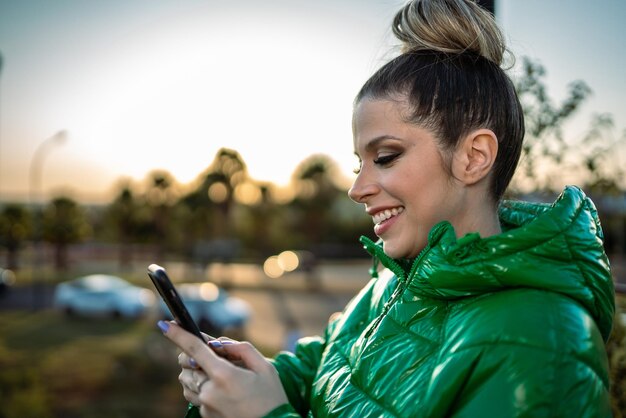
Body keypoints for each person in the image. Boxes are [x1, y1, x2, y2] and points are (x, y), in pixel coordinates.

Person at [158, 0, 615, 416]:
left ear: (474, 157)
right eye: (360, 163)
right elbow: (327, 374)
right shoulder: (388, 286)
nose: (357, 189)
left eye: (386, 157)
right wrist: (250, 380)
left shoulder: (541, 343)